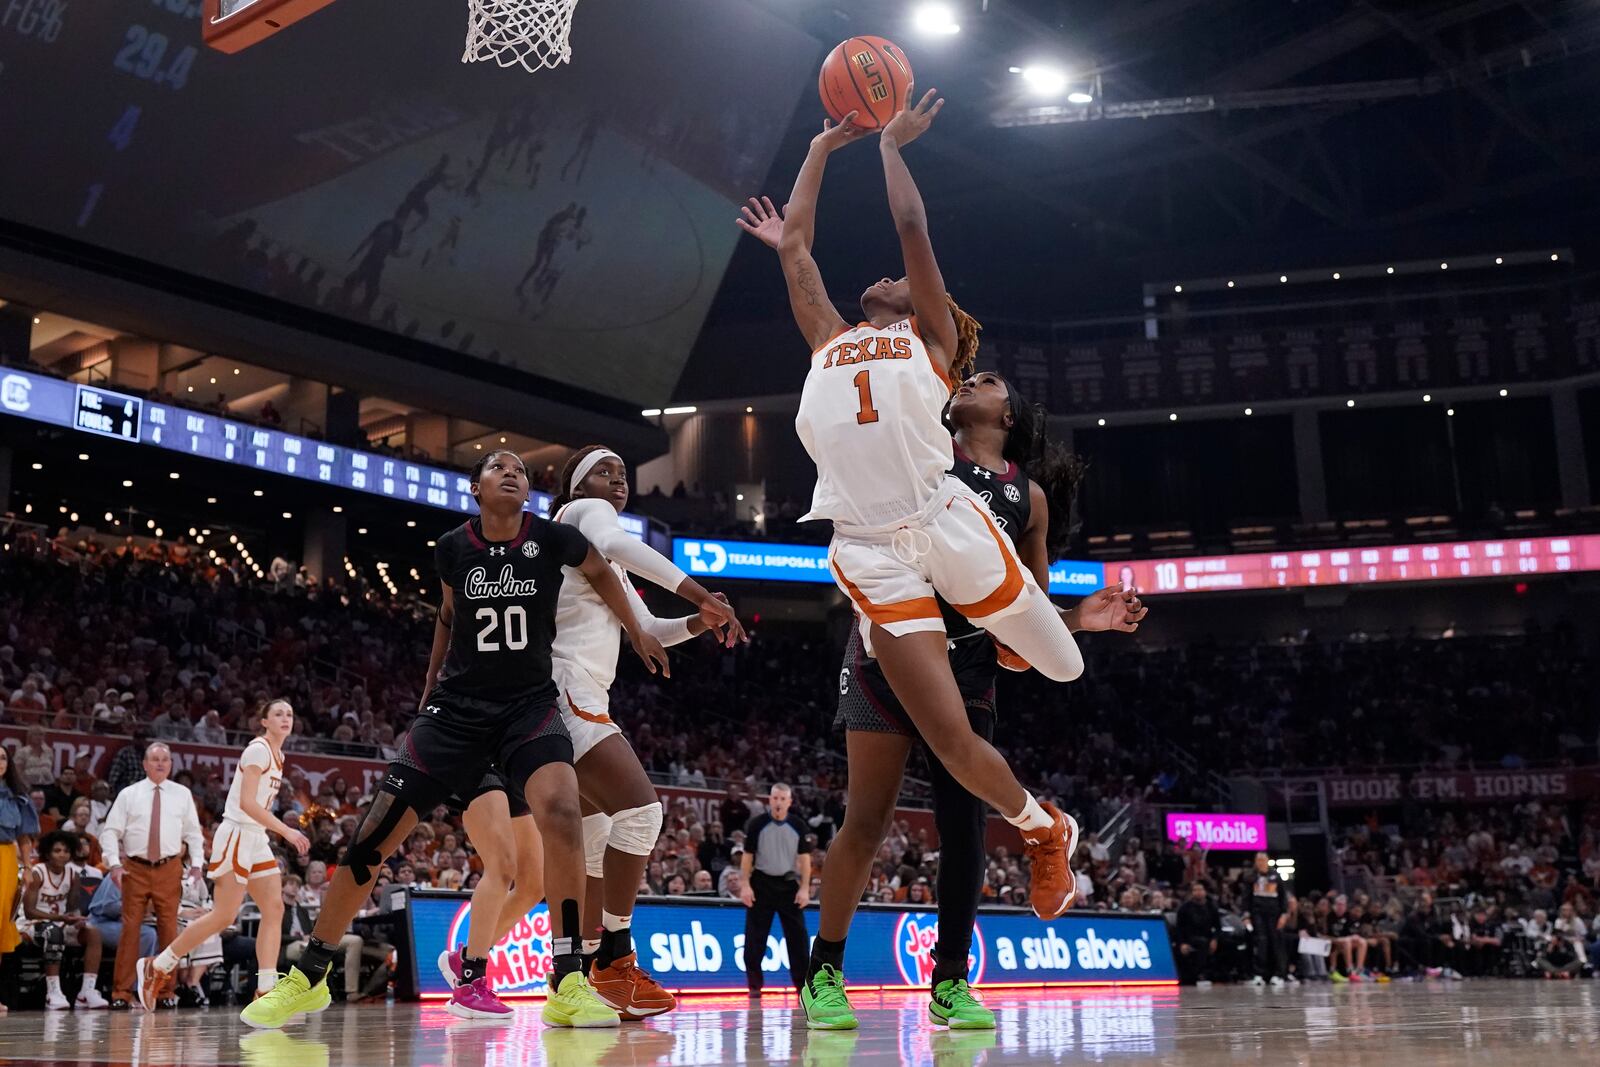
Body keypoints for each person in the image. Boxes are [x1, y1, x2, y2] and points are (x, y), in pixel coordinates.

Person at [746, 85, 1088, 1032]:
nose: (884, 279)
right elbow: (802, 254)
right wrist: (818, 149)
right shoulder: (831, 343)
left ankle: (1029, 641)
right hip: (876, 570)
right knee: (871, 809)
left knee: (1042, 679)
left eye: (898, 282)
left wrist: (893, 142)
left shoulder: (932, 345)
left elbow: (907, 223)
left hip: (944, 552)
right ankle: (833, 966)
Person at [242, 449, 670, 1030]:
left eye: (520, 468)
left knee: (564, 814)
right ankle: (308, 976)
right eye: (499, 467)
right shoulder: (451, 548)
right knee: (372, 838)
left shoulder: (553, 539)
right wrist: (427, 690)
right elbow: (447, 617)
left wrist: (640, 632)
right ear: (476, 488)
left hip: (528, 709)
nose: (513, 471)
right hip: (457, 712)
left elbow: (601, 570)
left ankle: (569, 980)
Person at [138, 698, 309, 1011]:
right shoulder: (257, 749)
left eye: (290, 713)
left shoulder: (279, 754)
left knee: (274, 908)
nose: (286, 718)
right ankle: (158, 965)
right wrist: (286, 831)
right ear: (264, 722)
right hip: (237, 833)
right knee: (224, 915)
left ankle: (265, 991)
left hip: (256, 838)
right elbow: (247, 803)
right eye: (278, 714)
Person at [98, 742, 205, 1011]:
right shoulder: (129, 794)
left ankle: (166, 991)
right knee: (130, 929)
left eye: (165, 759)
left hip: (170, 866)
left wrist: (197, 864)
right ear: (145, 764)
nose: (160, 763)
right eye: (154, 759)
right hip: (135, 866)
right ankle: (121, 993)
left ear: (170, 765)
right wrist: (114, 864)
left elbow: (193, 833)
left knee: (169, 929)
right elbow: (110, 831)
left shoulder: (182, 794)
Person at [22, 830, 107, 1009]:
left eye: (66, 851)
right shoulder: (38, 873)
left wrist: (76, 919)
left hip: (60, 923)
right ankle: (53, 992)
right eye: (57, 851)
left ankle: (86, 992)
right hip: (32, 925)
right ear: (47, 853)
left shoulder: (73, 875)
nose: (62, 855)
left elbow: (71, 909)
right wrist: (59, 917)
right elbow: (29, 912)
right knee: (53, 932)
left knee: (92, 932)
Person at [738, 784, 810, 996]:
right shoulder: (757, 824)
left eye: (782, 799)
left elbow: (805, 860)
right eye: (775, 798)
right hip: (761, 883)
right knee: (755, 937)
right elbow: (747, 857)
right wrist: (745, 885)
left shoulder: (798, 825)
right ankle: (754, 985)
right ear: (769, 800)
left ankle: (801, 985)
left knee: (798, 938)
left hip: (788, 885)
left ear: (789, 802)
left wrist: (805, 888)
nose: (778, 802)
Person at [0, 744, 40, 1012]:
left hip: (5, 858)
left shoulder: (17, 797)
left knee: (2, 923)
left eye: (3, 758)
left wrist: (26, 868)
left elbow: (24, 838)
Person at [1243, 853, 1289, 987]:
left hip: (1274, 915)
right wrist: (1246, 916)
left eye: (1263, 859)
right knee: (1261, 942)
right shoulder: (1250, 877)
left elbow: (1283, 897)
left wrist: (1284, 914)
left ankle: (1278, 974)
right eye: (1258, 860)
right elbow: (1246, 898)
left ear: (1268, 861)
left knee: (1276, 942)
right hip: (1258, 914)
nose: (1261, 862)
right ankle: (1259, 974)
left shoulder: (1276, 876)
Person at [1175, 882, 1221, 987]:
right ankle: (1201, 974)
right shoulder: (1184, 908)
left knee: (1229, 942)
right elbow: (1179, 928)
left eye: (1200, 890)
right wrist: (1182, 943)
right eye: (1195, 890)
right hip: (1190, 938)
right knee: (1202, 943)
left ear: (1205, 892)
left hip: (1208, 936)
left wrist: (1215, 939)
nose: (1198, 892)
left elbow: (1218, 927)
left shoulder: (1211, 907)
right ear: (1191, 893)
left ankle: (1226, 974)